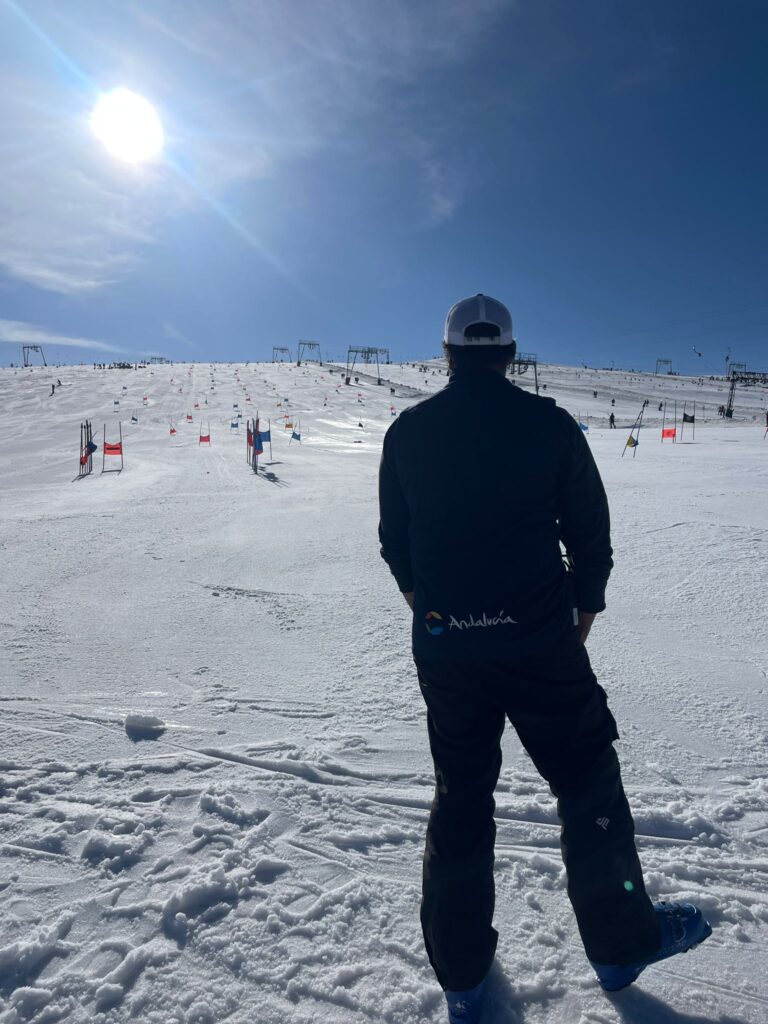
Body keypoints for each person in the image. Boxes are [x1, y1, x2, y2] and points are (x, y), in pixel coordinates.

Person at [378, 294, 711, 1023]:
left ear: (448, 354)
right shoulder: (550, 424)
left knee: (461, 795)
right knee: (587, 782)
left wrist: (430, 611)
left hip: (447, 647)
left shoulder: (408, 431)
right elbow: (589, 527)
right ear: (509, 354)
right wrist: (585, 606)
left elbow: (394, 540)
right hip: (539, 642)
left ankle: (462, 977)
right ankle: (620, 945)